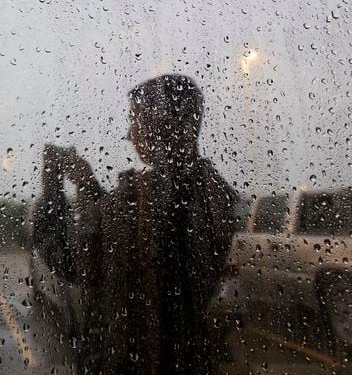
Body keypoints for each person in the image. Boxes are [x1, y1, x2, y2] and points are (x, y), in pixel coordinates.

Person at [68, 74, 238, 373]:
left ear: (158, 123)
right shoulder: (213, 190)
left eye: (135, 120)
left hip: (141, 357)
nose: (129, 133)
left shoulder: (142, 194)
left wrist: (55, 192)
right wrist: (88, 184)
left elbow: (78, 256)